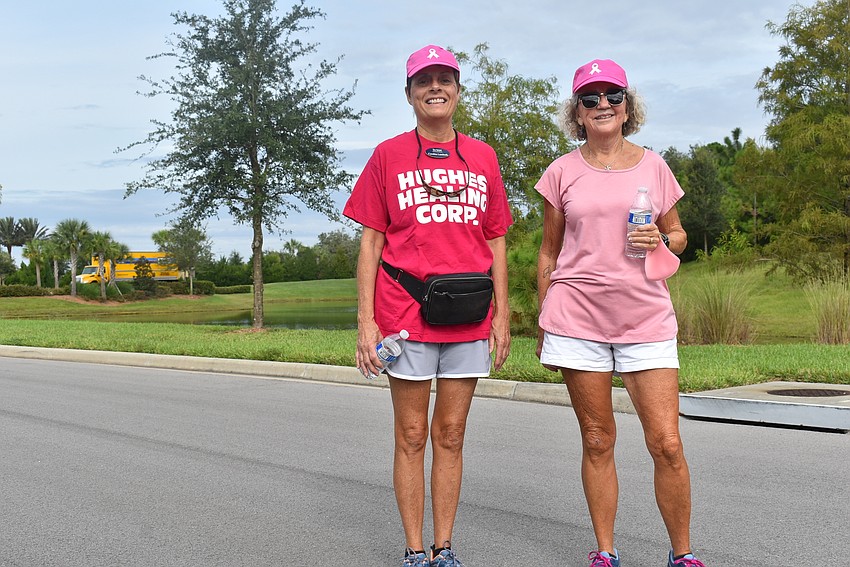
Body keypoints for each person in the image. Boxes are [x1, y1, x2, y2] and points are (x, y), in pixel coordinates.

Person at [343, 44, 512, 567]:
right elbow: (371, 243)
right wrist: (366, 321)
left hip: (468, 316)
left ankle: (445, 547)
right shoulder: (388, 155)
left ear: (458, 90)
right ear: (410, 93)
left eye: (445, 79)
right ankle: (415, 550)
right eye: (424, 81)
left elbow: (497, 240)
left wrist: (503, 315)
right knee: (412, 433)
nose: (434, 88)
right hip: (404, 315)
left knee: (452, 433)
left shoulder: (482, 157)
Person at [535, 59, 706, 567]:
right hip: (577, 317)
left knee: (667, 443)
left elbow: (678, 236)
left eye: (612, 95)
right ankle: (605, 551)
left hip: (645, 319)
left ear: (626, 106)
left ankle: (683, 555)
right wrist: (546, 320)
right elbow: (549, 253)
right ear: (578, 113)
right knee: (597, 438)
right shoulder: (561, 171)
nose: (602, 104)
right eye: (590, 98)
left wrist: (661, 236)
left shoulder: (653, 165)